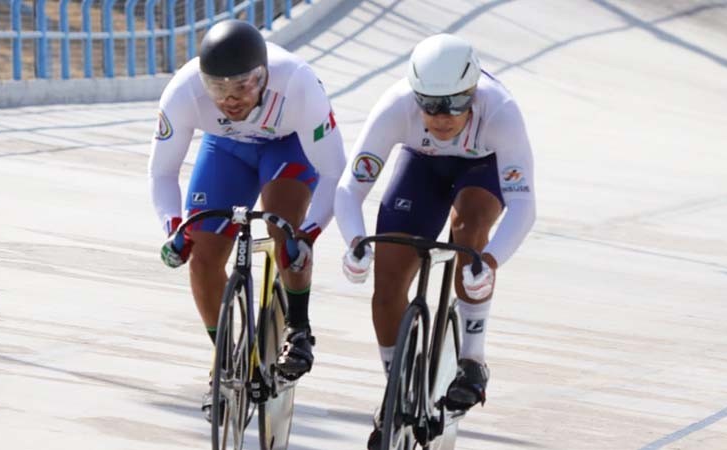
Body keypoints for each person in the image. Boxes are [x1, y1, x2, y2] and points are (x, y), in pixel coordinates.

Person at [334, 33, 536, 446]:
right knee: (387, 283)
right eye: (429, 104)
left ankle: (471, 360)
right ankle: (397, 390)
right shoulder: (395, 106)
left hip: (481, 169)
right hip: (422, 167)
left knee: (468, 231)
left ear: (474, 91)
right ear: (414, 95)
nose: (442, 117)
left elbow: (524, 207)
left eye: (455, 104)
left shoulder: (501, 111)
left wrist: (490, 262)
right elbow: (348, 190)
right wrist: (356, 243)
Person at [148, 19, 345, 421]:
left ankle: (299, 328)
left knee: (283, 229)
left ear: (264, 76)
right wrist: (175, 231)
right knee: (202, 254)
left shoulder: (299, 84)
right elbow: (162, 173)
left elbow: (333, 172)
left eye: (242, 86)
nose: (230, 100)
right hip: (227, 150)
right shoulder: (183, 91)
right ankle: (224, 362)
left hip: (288, 147)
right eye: (218, 89)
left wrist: (306, 235)